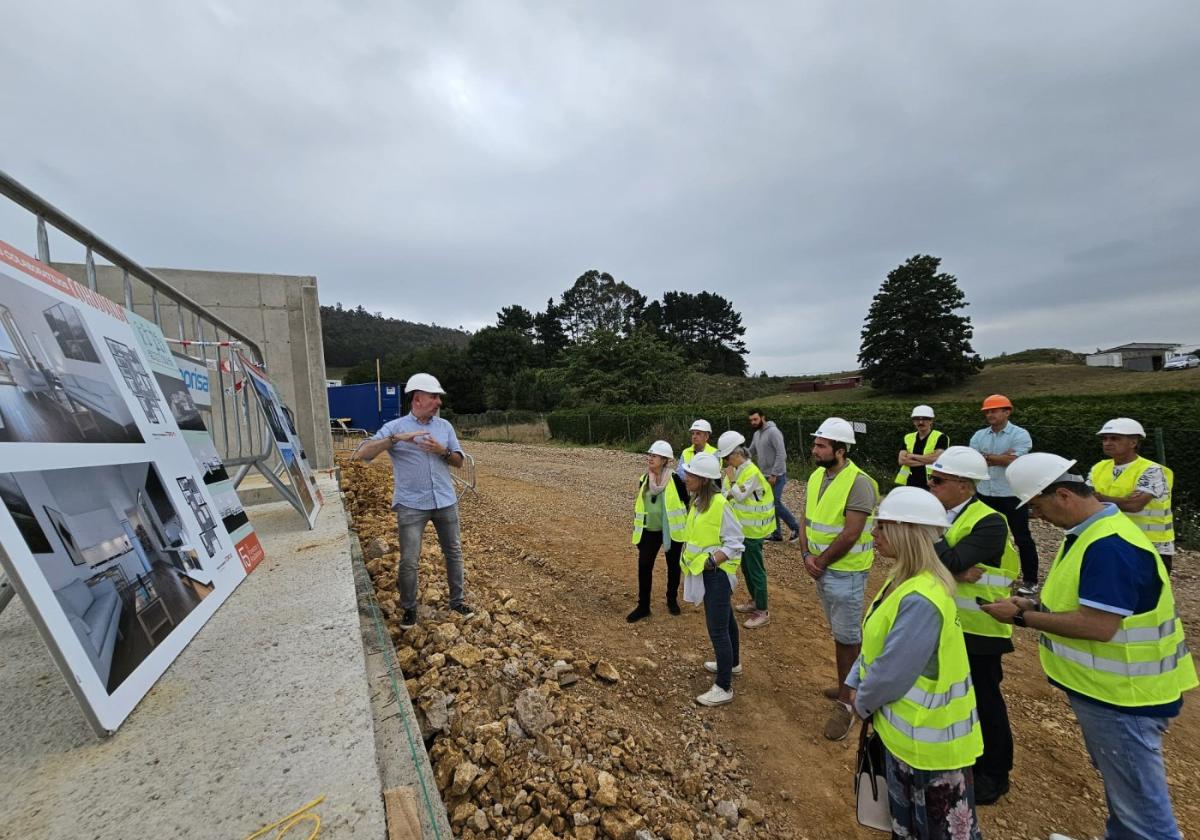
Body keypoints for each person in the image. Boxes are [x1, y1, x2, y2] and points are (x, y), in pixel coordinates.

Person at [982, 453, 1197, 840]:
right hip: (1110, 693)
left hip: (1125, 698)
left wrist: (1020, 618)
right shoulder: (1092, 533)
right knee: (1125, 796)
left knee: (1145, 815)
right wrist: (1032, 604)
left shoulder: (1109, 545)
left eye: (1037, 506)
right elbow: (1086, 605)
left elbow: (1097, 626)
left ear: (1062, 495)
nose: (1037, 517)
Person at [846, 486, 984, 840]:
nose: (873, 534)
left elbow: (893, 672)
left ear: (905, 532)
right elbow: (876, 640)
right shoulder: (902, 578)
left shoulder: (922, 596)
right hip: (906, 739)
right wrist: (853, 678)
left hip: (931, 749)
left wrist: (860, 703)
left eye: (881, 528)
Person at [927, 446, 1019, 805]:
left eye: (938, 480)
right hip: (946, 622)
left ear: (965, 486)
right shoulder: (945, 514)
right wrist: (951, 566)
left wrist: (937, 545)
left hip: (980, 628)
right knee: (951, 694)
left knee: (983, 699)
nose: (931, 486)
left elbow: (949, 558)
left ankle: (995, 774)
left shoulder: (990, 521)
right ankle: (962, 757)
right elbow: (936, 561)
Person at [353, 372, 472, 629]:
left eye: (438, 397)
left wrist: (443, 451)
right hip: (411, 505)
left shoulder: (445, 427)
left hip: (444, 501)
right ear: (418, 399)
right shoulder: (395, 428)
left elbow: (459, 462)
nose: (438, 402)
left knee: (453, 552)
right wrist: (395, 440)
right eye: (434, 397)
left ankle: (457, 601)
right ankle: (408, 608)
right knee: (409, 559)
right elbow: (363, 453)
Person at [798, 417, 879, 741]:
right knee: (840, 633)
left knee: (847, 637)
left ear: (840, 450)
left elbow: (851, 533)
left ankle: (848, 702)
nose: (814, 449)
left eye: (821, 445)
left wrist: (819, 560)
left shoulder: (859, 482)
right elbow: (805, 517)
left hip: (846, 572)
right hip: (821, 567)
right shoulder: (818, 475)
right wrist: (806, 555)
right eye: (816, 443)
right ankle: (848, 682)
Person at [678, 452, 745, 706]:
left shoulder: (719, 504)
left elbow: (735, 542)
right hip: (707, 573)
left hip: (716, 575)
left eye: (691, 474)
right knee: (726, 621)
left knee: (717, 630)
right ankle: (733, 663)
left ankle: (723, 686)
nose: (686, 477)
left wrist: (711, 562)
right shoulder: (698, 503)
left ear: (704, 480)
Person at [969, 394, 1039, 595]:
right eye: (987, 411)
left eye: (994, 410)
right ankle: (988, 573)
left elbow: (1016, 460)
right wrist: (1001, 457)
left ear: (1007, 411)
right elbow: (975, 460)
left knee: (1022, 537)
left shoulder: (1020, 434)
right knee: (984, 535)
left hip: (1011, 494)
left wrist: (989, 458)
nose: (990, 414)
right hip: (985, 492)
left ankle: (1030, 580)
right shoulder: (979, 435)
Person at [1088, 417, 1176, 574]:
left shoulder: (1152, 470)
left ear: (1133, 443)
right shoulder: (1099, 468)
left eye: (1115, 438)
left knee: (1149, 594)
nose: (1107, 442)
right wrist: (1122, 500)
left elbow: (1135, 505)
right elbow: (1085, 499)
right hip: (1113, 539)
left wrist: (1101, 498)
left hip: (1150, 543)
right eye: (1105, 438)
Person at [716, 430, 775, 630]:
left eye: (726, 457)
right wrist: (731, 485)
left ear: (736, 454)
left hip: (753, 530)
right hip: (741, 529)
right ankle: (755, 601)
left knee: (755, 569)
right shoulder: (736, 470)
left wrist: (732, 482)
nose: (725, 462)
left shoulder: (751, 472)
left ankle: (763, 611)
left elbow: (738, 495)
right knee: (747, 568)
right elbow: (726, 494)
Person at [628, 439, 689, 622]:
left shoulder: (675, 479)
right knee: (644, 565)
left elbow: (685, 501)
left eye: (654, 456)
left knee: (673, 566)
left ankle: (672, 600)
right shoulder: (644, 479)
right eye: (650, 455)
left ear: (664, 460)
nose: (650, 458)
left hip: (672, 532)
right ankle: (643, 606)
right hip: (649, 531)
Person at [748, 408, 800, 542]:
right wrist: (736, 452)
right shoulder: (757, 434)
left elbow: (781, 453)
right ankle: (777, 534)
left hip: (777, 475)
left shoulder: (773, 432)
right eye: (751, 420)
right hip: (764, 475)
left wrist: (774, 474)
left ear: (762, 417)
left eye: (755, 419)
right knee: (770, 504)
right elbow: (751, 451)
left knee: (775, 503)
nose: (753, 422)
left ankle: (797, 528)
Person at [895, 404, 948, 490]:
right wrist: (927, 461)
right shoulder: (908, 437)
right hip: (909, 481)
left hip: (932, 482)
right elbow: (901, 460)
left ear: (931, 421)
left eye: (924, 419)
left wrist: (912, 456)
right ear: (913, 421)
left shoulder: (941, 437)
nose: (920, 422)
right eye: (917, 419)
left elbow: (937, 458)